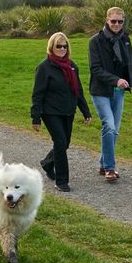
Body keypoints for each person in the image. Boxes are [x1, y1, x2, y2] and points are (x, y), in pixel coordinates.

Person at [88, 6, 132, 183]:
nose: (117, 24)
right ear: (107, 20)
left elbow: (130, 66)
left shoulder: (125, 40)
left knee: (115, 131)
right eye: (113, 21)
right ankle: (110, 169)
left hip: (119, 92)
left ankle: (104, 163)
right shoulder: (95, 41)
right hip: (100, 91)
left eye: (120, 21)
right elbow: (95, 69)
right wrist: (116, 80)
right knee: (109, 126)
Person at [31, 32, 92, 192]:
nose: (62, 49)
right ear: (52, 47)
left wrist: (86, 112)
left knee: (65, 143)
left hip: (68, 111)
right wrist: (35, 117)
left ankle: (47, 163)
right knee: (59, 142)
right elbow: (38, 93)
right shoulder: (44, 67)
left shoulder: (72, 66)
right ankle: (62, 180)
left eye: (65, 46)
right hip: (50, 112)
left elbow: (78, 91)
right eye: (59, 46)